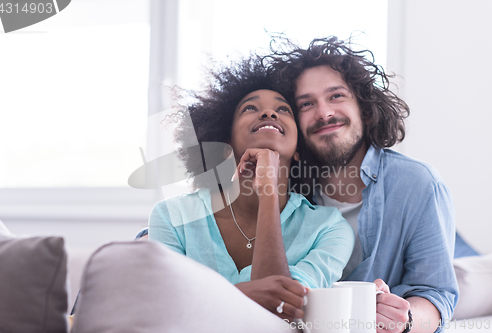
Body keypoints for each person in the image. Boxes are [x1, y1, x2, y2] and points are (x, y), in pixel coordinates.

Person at [265, 37, 458, 333]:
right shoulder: (284, 190)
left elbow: (437, 295)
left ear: (365, 110)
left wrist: (404, 320)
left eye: (337, 96)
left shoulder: (418, 184)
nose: (324, 113)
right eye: (306, 103)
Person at [148, 57, 354, 322]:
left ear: (300, 150)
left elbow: (280, 312)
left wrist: (268, 191)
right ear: (225, 139)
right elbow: (163, 310)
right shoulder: (172, 216)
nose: (269, 114)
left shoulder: (329, 229)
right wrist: (243, 294)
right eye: (250, 108)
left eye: (284, 110)